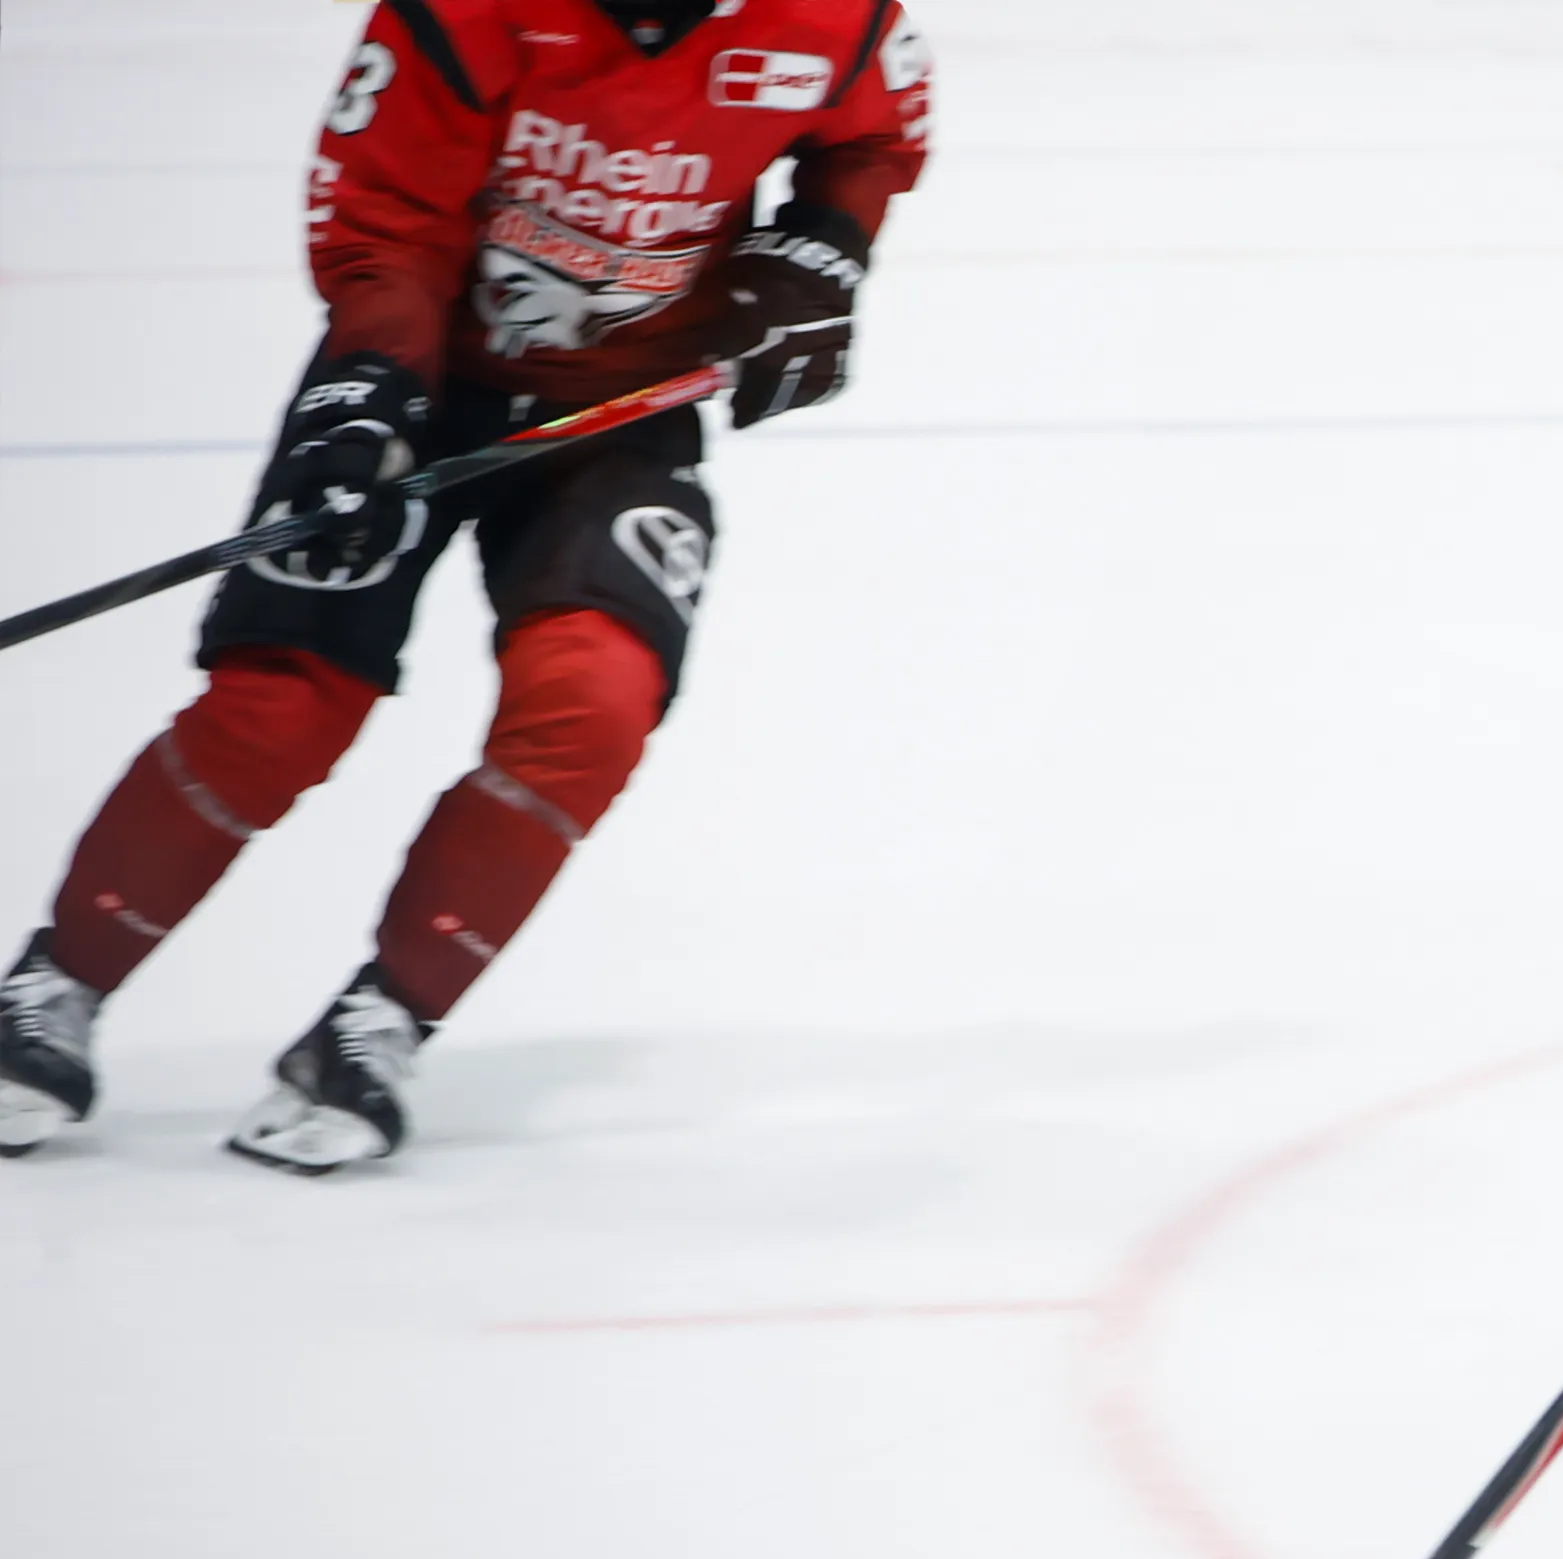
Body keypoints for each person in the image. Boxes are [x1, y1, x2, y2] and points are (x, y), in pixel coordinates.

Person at [0, 0, 932, 1172]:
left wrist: (820, 249)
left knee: (593, 702)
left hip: (618, 418)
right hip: (416, 380)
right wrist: (367, 401)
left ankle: (380, 1022)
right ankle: (55, 986)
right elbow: (384, 219)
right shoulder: (465, 10)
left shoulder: (833, 19)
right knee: (281, 704)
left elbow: (876, 131)